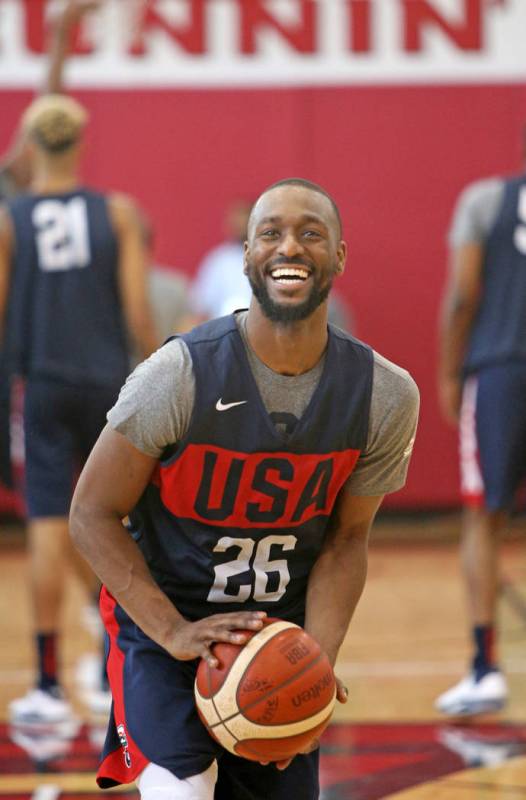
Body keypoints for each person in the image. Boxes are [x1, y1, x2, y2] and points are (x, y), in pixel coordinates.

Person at [69, 177, 419, 799]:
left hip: (275, 638)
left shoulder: (384, 395)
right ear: (248, 255)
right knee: (183, 785)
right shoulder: (178, 374)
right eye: (271, 233)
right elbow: (92, 512)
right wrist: (173, 631)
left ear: (338, 255)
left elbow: (347, 541)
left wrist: (317, 657)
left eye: (311, 232)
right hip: (165, 623)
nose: (290, 246)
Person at [0, 93, 158, 723]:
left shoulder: (9, 220)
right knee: (116, 521)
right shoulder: (117, 212)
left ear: (31, 145)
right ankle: (117, 649)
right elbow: (140, 315)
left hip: (39, 385)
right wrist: (164, 376)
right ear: (82, 142)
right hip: (108, 386)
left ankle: (47, 685)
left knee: (46, 524)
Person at [0, 0, 102, 497]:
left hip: (37, 368)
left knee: (57, 498)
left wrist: (61, 34)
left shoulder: (11, 186)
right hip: (53, 366)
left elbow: (48, 119)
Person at [435, 162, 526, 716]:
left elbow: (463, 294)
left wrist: (448, 371)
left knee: (483, 520)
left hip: (501, 371)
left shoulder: (487, 199)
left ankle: (484, 667)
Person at [189, 197, 353, 331]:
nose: (289, 250)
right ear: (247, 256)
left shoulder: (332, 308)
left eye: (310, 234)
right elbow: (201, 310)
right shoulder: (219, 260)